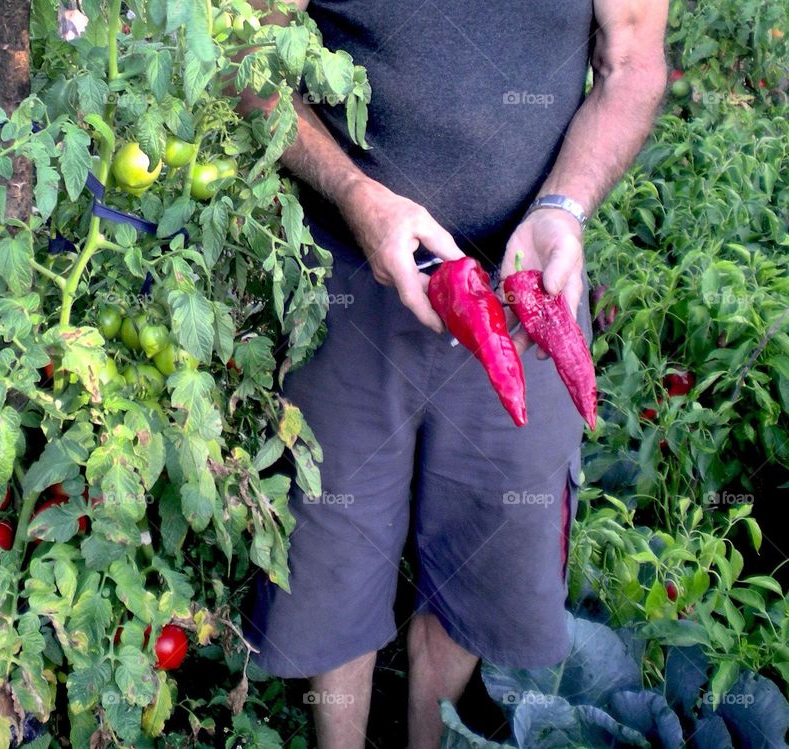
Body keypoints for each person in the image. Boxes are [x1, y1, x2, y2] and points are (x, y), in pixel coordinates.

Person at [241, 2, 669, 747]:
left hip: (521, 289)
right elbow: (245, 60)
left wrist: (562, 209)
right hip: (339, 279)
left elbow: (632, 66)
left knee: (485, 556)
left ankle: (428, 739)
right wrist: (353, 192)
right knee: (334, 566)